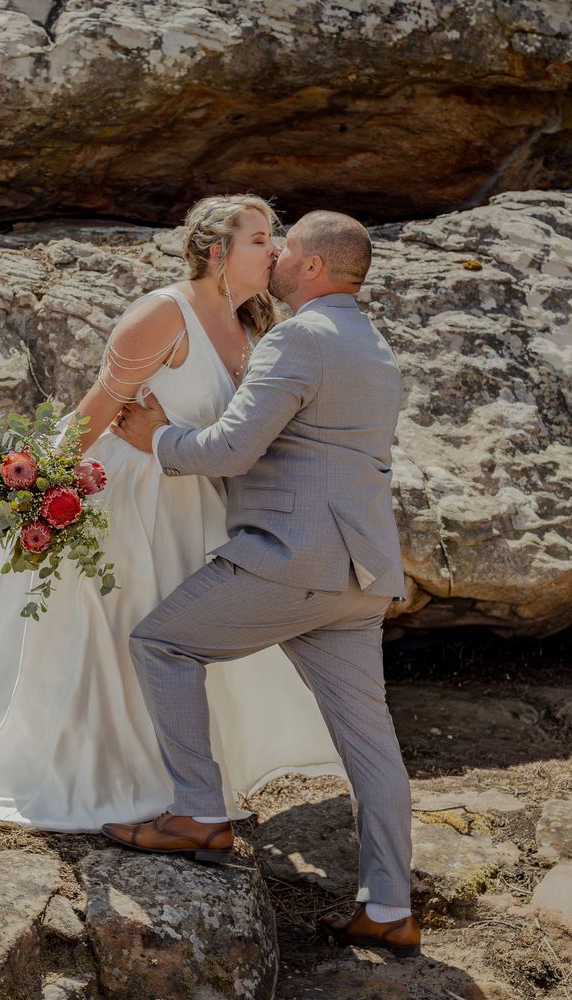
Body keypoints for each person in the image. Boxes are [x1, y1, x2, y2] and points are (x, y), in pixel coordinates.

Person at [0, 195, 345, 840]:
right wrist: (39, 488)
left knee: (184, 642)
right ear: (216, 251)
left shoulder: (250, 326)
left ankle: (187, 784)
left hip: (200, 504)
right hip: (135, 501)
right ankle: (114, 774)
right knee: (125, 631)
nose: (274, 251)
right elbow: (95, 411)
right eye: (260, 239)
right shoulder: (163, 314)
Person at [106, 210, 419, 956]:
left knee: (162, 645)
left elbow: (233, 450)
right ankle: (389, 907)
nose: (275, 256)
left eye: (287, 249)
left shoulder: (299, 337)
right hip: (361, 570)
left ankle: (197, 813)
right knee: (371, 744)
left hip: (292, 559)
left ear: (311, 269)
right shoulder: (372, 345)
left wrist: (156, 439)